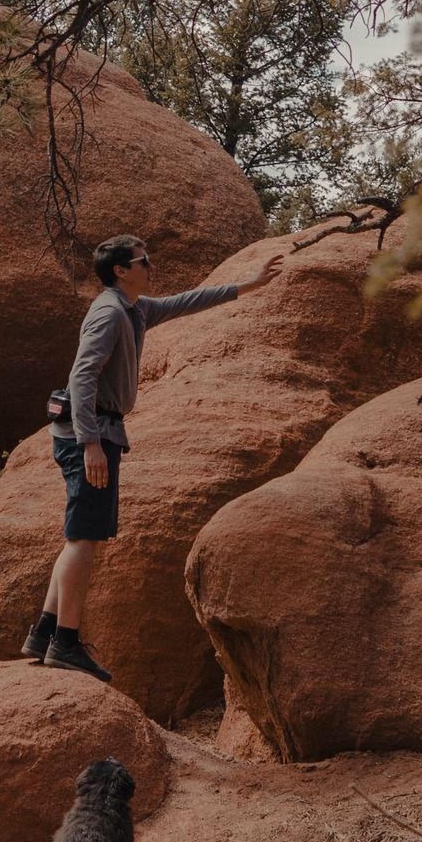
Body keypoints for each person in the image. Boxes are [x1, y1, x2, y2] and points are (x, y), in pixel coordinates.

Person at [26, 232, 277, 682]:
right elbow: (82, 377)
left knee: (79, 535)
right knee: (83, 538)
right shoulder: (108, 313)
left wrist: (248, 286)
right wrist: (90, 445)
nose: (150, 267)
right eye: (143, 262)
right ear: (121, 270)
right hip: (91, 432)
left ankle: (43, 632)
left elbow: (186, 301)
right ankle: (64, 643)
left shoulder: (135, 308)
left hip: (99, 429)